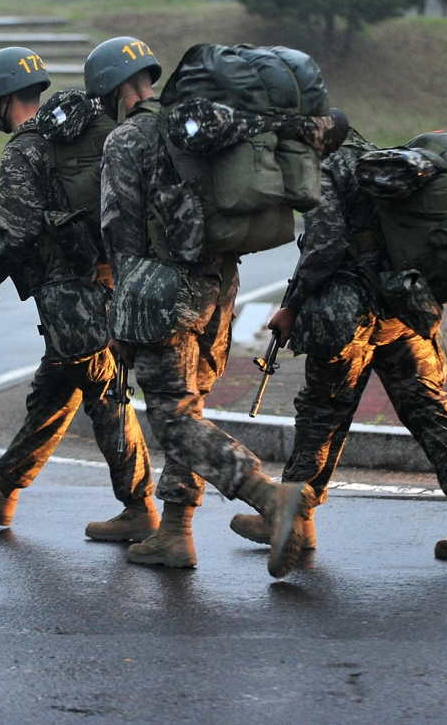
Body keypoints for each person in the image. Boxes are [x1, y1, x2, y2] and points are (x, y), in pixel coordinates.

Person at [96, 36, 339, 578]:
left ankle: (270, 498)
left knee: (172, 418)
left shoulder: (127, 140)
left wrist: (122, 319)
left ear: (112, 90)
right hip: (219, 285)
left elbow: (120, 234)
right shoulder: (198, 129)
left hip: (160, 291)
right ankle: (175, 534)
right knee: (190, 408)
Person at [230, 127, 447, 559]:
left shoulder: (323, 167)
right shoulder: (380, 159)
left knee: (322, 410)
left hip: (351, 314)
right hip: (403, 308)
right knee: (428, 408)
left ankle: (291, 517)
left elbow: (323, 246)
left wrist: (293, 306)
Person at [0, 48, 157, 541]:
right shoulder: (81, 133)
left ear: (1, 99)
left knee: (106, 394)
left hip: (68, 294)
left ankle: (140, 505)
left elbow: (16, 233)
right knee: (55, 389)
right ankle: (3, 489)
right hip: (100, 280)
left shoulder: (26, 147)